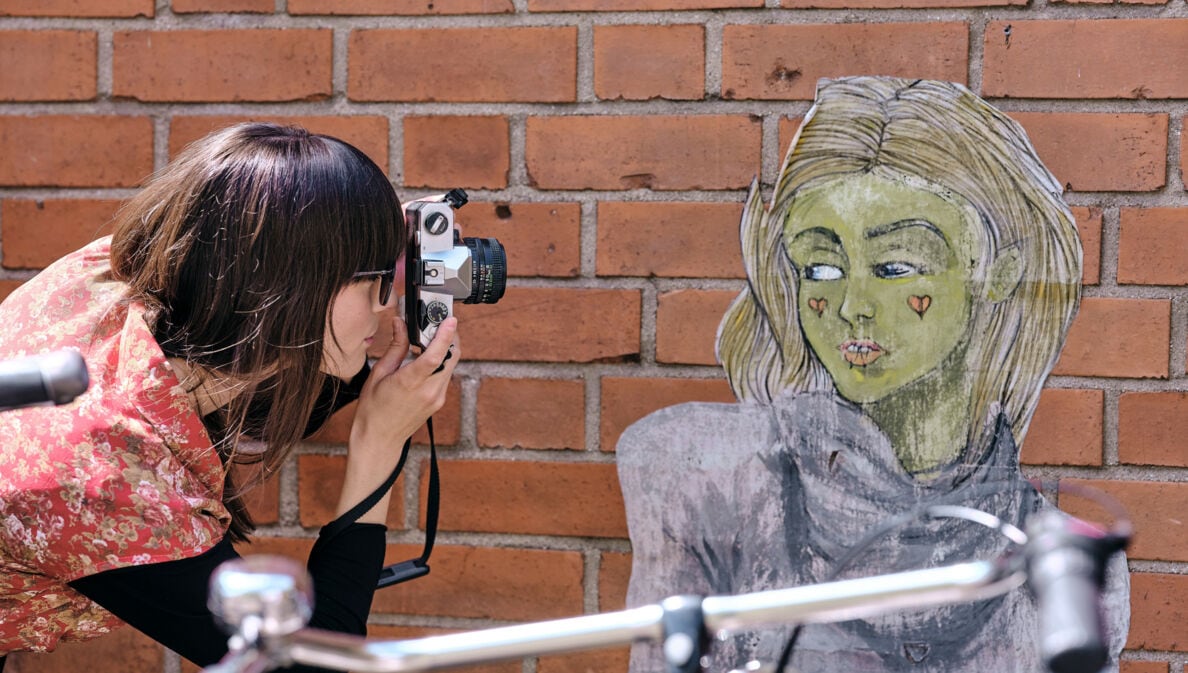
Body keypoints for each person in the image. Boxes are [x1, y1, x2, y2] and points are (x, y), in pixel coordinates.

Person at [618, 77, 1129, 672]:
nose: (852, 304)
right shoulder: (700, 475)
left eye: (893, 266)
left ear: (999, 270)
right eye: (822, 269)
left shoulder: (1068, 562)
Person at [0, 123, 460, 670]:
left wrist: (359, 239)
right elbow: (308, 666)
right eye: (378, 280)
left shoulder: (124, 274)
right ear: (293, 289)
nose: (389, 305)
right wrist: (378, 443)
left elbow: (262, 315)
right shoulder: (100, 480)